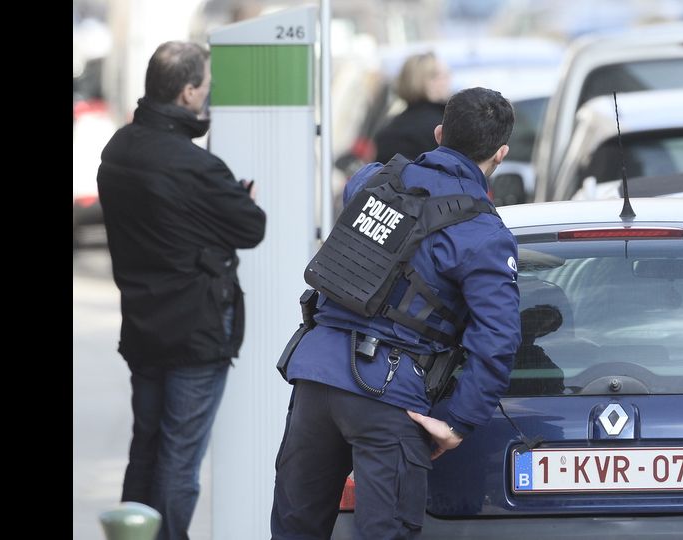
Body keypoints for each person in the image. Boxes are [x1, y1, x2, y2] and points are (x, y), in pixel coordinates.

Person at [272, 87, 521, 539]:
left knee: (295, 530)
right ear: (500, 154)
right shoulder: (484, 234)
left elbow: (360, 192)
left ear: (440, 132)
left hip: (315, 381)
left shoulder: (370, 182)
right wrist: (457, 421)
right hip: (389, 397)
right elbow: (497, 340)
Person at [97, 41, 266, 540]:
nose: (208, 95)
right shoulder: (196, 167)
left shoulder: (119, 148)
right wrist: (234, 199)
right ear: (189, 92)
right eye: (206, 87)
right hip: (197, 327)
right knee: (179, 457)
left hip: (143, 323)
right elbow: (251, 227)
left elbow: (164, 223)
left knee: (146, 445)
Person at [373, 51, 451, 164]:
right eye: (443, 75)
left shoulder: (388, 129)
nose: (448, 80)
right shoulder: (444, 127)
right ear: (427, 82)